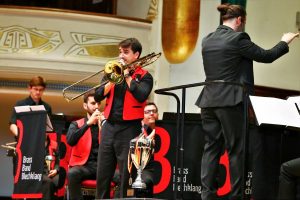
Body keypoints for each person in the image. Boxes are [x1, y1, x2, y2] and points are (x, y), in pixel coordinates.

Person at [195, 3, 299, 200]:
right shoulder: (238, 38)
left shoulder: (207, 40)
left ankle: (206, 195)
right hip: (231, 100)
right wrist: (284, 42)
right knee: (236, 150)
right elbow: (266, 56)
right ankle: (236, 196)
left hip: (208, 100)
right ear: (240, 20)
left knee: (211, 148)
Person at [95, 37, 154, 199]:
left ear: (136, 55)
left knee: (127, 175)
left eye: (126, 52)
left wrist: (127, 77)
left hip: (129, 129)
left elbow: (141, 95)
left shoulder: (145, 76)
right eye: (120, 52)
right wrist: (113, 79)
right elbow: (98, 95)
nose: (121, 56)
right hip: (109, 127)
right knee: (103, 174)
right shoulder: (111, 71)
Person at [66, 91, 102, 200]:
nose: (96, 106)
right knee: (72, 174)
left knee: (122, 177)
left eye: (98, 103)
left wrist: (103, 127)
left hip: (102, 167)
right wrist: (88, 124)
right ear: (85, 106)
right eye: (93, 103)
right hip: (84, 167)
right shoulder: (76, 124)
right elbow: (70, 141)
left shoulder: (106, 123)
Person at [128, 102, 158, 198]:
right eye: (147, 112)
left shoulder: (166, 129)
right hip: (146, 169)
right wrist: (152, 135)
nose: (151, 113)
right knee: (142, 183)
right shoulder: (138, 130)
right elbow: (135, 149)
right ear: (143, 116)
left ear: (158, 114)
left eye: (154, 111)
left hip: (164, 168)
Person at [42, 134, 60, 200]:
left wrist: (56, 170)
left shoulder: (54, 144)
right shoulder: (34, 144)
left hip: (51, 171)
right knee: (48, 182)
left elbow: (58, 161)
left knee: (57, 180)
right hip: (38, 172)